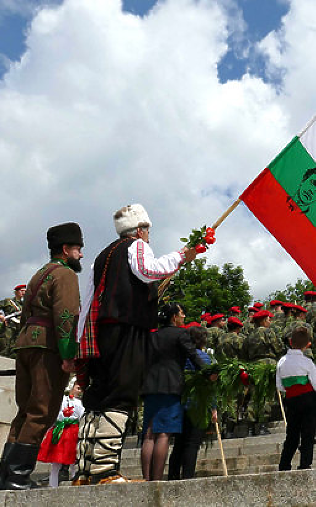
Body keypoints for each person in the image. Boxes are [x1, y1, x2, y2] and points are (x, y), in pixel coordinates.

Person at [75, 204, 196, 485]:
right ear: (140, 229)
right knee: (121, 393)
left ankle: (86, 470)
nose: (149, 235)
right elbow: (146, 270)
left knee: (98, 395)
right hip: (127, 328)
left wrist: (80, 340)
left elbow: (89, 301)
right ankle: (105, 471)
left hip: (101, 332)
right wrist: (182, 255)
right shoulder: (136, 246)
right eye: (148, 230)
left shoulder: (101, 256)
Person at [0, 222, 83, 491]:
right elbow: (66, 316)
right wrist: (69, 355)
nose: (80, 255)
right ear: (66, 249)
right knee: (41, 412)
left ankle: (6, 477)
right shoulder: (65, 275)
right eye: (78, 249)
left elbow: (24, 316)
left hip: (26, 344)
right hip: (47, 347)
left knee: (25, 412)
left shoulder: (39, 274)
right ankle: (18, 478)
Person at [140, 302, 208, 481]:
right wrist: (209, 372)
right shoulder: (181, 333)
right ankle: (156, 481)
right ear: (174, 317)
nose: (184, 316)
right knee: (164, 433)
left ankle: (146, 479)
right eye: (182, 313)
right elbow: (193, 355)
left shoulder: (152, 335)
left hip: (150, 386)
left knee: (149, 433)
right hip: (170, 386)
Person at [168, 325, 215, 480]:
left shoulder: (180, 358)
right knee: (192, 443)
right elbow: (209, 385)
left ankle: (173, 475)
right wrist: (213, 407)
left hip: (180, 403)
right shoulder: (204, 358)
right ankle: (188, 476)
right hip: (198, 404)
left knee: (179, 443)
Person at [276, 327, 316, 471]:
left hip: (291, 399)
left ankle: (284, 464)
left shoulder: (281, 362)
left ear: (290, 342)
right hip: (308, 399)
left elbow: (280, 386)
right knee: (308, 433)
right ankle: (305, 463)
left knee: (292, 434)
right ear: (308, 344)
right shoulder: (307, 362)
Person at [242, 309, 283, 435]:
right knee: (266, 395)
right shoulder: (269, 332)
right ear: (263, 321)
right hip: (267, 364)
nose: (270, 321)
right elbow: (278, 348)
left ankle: (250, 428)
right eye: (268, 319)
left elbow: (244, 354)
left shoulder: (249, 336)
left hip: (253, 366)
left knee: (254, 395)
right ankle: (263, 425)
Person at [37, 379, 84, 487]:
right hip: (61, 431)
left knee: (73, 460)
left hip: (73, 432)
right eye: (78, 388)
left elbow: (81, 416)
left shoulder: (80, 403)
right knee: (56, 462)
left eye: (81, 389)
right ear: (71, 387)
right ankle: (53, 485)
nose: (80, 391)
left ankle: (74, 482)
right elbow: (55, 413)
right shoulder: (61, 400)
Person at [0, 285, 26, 358]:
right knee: (4, 350)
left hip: (19, 330)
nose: (24, 293)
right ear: (16, 292)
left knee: (15, 351)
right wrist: (0, 315)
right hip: (8, 328)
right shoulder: (8, 301)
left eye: (25, 291)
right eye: (22, 291)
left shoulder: (24, 305)